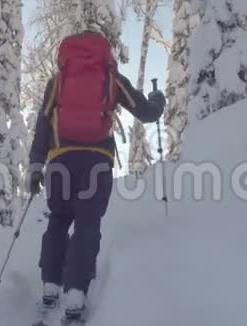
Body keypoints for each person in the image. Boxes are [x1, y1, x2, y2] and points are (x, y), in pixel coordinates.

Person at [25, 30, 165, 322]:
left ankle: (50, 286)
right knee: (87, 224)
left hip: (60, 160)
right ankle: (76, 294)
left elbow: (42, 123)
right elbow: (146, 113)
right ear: (105, 52)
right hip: (97, 162)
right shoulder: (111, 79)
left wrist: (37, 165)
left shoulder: (58, 82)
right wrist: (157, 100)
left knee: (59, 219)